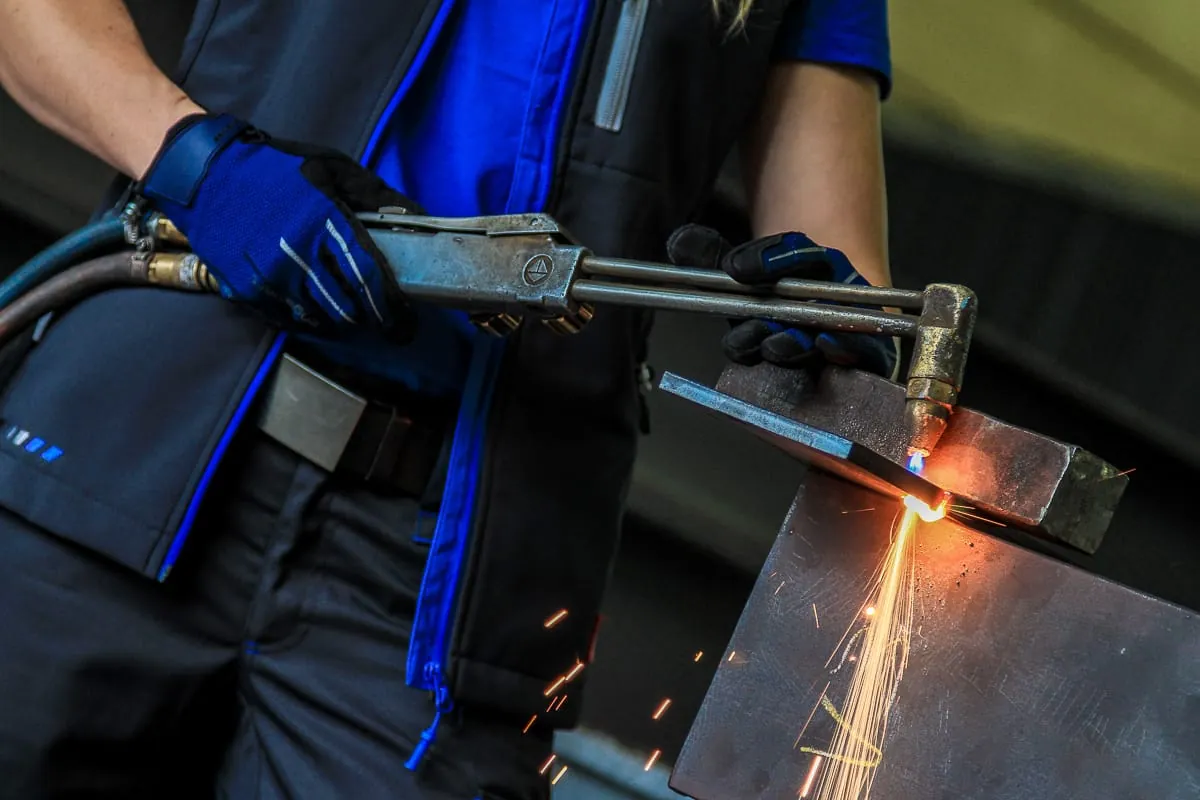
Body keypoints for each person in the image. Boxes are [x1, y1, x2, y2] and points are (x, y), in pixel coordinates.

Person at [0, 0, 895, 796]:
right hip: (130, 453)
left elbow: (844, 301)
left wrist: (836, 350)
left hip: (451, 590)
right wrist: (202, 164)